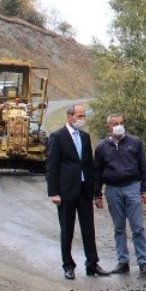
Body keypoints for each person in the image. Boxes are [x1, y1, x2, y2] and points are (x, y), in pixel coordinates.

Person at [46, 103, 108, 280]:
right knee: (67, 229)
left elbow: (89, 164)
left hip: (84, 189)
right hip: (66, 191)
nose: (82, 120)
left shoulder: (85, 137)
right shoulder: (57, 137)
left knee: (88, 228)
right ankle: (68, 265)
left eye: (83, 116)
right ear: (70, 117)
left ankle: (92, 263)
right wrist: (54, 192)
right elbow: (52, 166)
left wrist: (96, 191)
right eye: (79, 116)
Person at [93, 113, 146, 275]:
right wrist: (97, 194)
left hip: (133, 187)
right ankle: (123, 261)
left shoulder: (134, 143)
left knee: (137, 227)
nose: (118, 125)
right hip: (112, 189)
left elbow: (143, 167)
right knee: (119, 228)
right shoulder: (102, 147)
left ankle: (142, 261)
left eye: (120, 122)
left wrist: (145, 189)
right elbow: (97, 173)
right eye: (114, 123)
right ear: (108, 127)